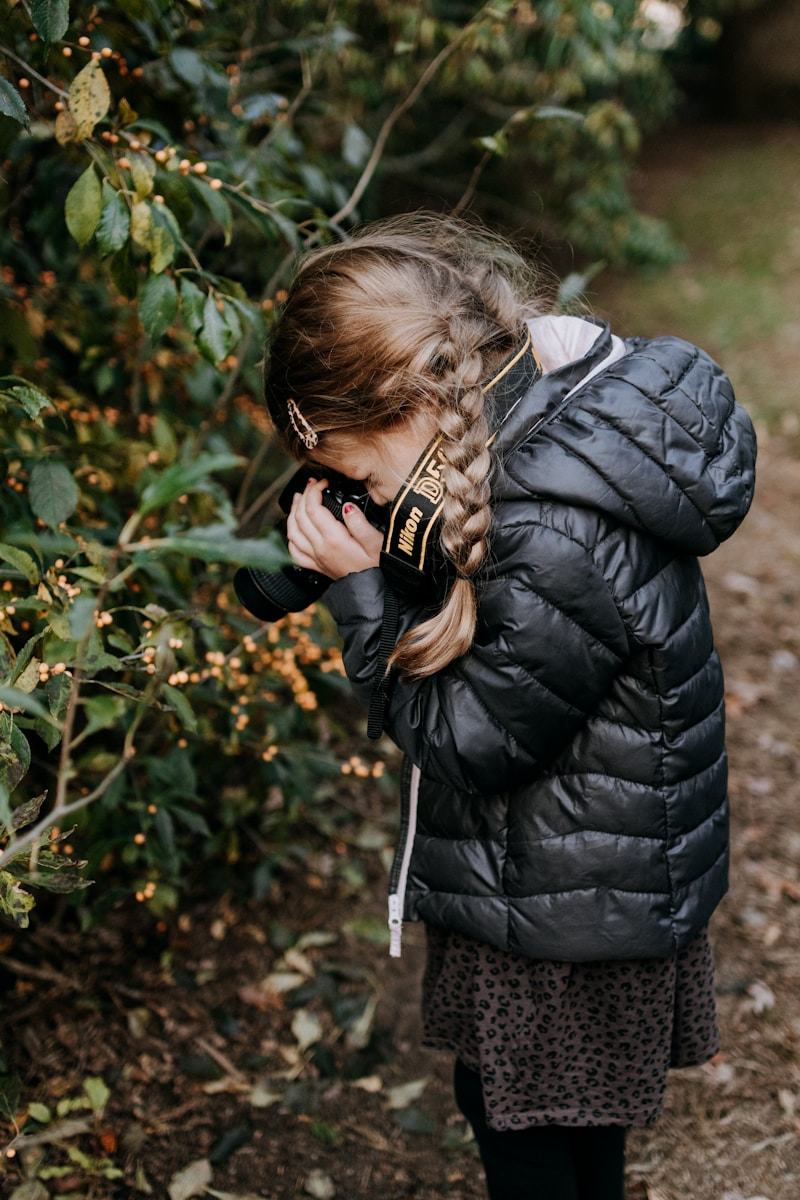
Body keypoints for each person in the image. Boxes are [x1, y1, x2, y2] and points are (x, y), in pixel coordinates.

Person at [261, 214, 757, 1200]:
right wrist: (393, 540)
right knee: (570, 1128)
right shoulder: (547, 429)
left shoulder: (547, 528)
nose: (350, 496)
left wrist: (362, 587)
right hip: (578, 879)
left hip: (561, 919)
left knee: (525, 1134)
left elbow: (467, 741)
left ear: (409, 411)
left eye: (353, 475)